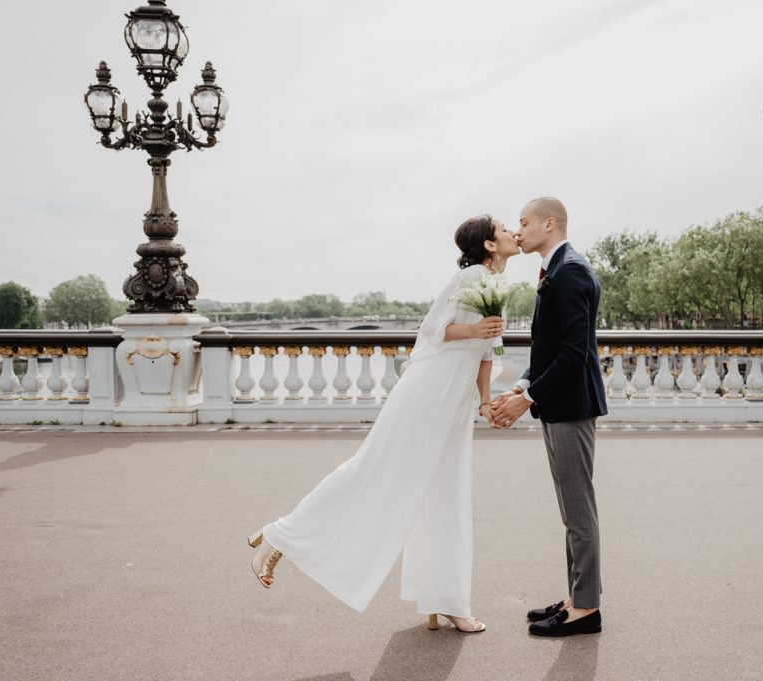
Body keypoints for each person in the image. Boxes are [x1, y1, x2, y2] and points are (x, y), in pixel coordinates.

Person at [247, 214, 520, 633]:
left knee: (448, 492)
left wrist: (484, 402)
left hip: (456, 399)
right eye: (504, 229)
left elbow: (487, 352)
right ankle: (280, 535)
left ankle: (443, 599)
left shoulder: (497, 285)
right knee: (373, 470)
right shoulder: (466, 278)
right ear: (487, 244)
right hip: (428, 393)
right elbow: (432, 331)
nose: (513, 233)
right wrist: (475, 327)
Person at [491, 197, 608, 637]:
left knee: (579, 511)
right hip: (559, 402)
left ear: (549, 223)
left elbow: (574, 353)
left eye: (523, 223)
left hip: (570, 405)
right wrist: (522, 386)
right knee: (570, 508)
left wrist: (528, 399)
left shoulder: (570, 270)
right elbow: (551, 349)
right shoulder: (557, 269)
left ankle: (586, 609)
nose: (518, 232)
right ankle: (576, 596)